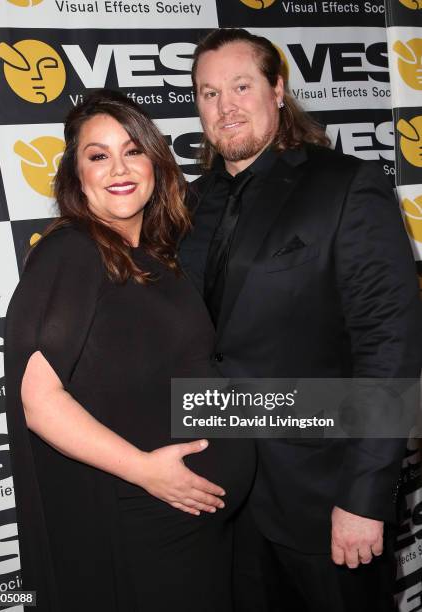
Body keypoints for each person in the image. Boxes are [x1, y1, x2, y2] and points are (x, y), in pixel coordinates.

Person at [179, 28, 422, 612]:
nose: (226, 106)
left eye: (241, 86)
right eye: (209, 94)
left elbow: (391, 347)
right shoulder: (188, 202)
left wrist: (364, 497)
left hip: (325, 497)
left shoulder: (344, 185)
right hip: (220, 496)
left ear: (277, 90)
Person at [5, 89, 255, 612]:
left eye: (132, 150)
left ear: (155, 162)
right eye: (98, 155)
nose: (118, 167)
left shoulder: (152, 256)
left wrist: (367, 410)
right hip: (143, 522)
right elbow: (39, 400)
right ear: (76, 176)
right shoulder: (72, 250)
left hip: (192, 523)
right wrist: (145, 470)